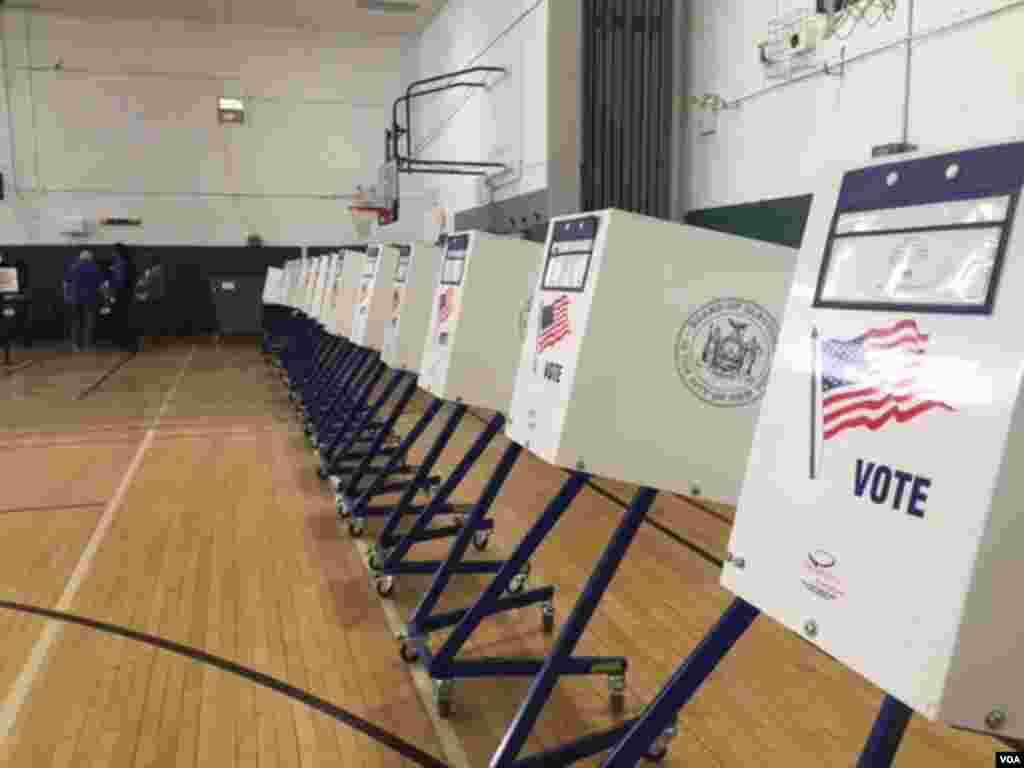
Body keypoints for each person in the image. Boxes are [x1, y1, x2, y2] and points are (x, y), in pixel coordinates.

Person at [67, 250, 104, 351]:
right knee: (89, 322)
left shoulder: (73, 267)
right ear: (90, 258)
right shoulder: (95, 268)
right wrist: (106, 297)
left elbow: (66, 283)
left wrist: (68, 296)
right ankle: (87, 345)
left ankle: (75, 345)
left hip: (75, 298)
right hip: (90, 299)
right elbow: (101, 285)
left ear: (80, 257)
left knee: (76, 322)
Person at [110, 243, 139, 351]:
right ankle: (127, 341)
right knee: (125, 318)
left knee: (121, 318)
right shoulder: (128, 261)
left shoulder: (120, 262)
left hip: (120, 294)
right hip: (127, 294)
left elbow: (119, 280)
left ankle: (124, 342)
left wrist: (114, 294)